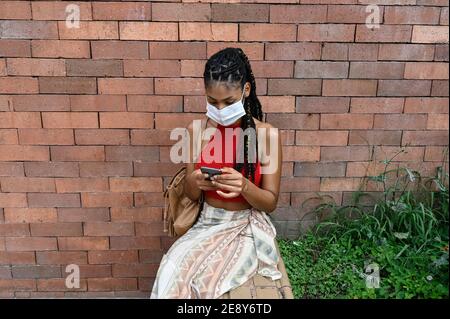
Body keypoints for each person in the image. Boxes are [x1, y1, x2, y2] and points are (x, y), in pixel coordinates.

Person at [150, 47, 283, 299]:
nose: (220, 109)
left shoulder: (267, 135)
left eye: (229, 102)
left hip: (244, 225)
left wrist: (243, 186)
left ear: (246, 90)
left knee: (208, 286)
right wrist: (197, 181)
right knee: (170, 275)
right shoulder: (196, 131)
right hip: (206, 221)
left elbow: (271, 202)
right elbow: (189, 194)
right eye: (212, 102)